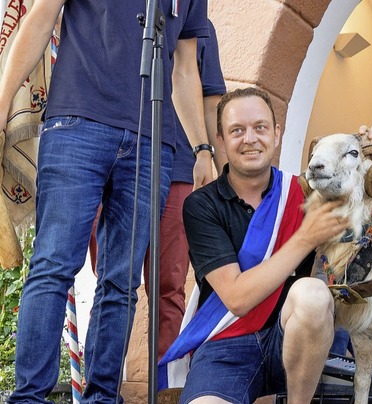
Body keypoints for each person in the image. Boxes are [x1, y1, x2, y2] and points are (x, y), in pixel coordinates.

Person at [0, 1, 213, 402]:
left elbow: (184, 68)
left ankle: (102, 397)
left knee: (122, 280)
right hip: (77, 124)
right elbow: (42, 17)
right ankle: (29, 397)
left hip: (154, 142)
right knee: (53, 265)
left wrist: (202, 148)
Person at [160, 87, 372, 403]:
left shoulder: (306, 190)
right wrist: (306, 238)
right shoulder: (201, 205)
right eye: (237, 130)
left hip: (296, 342)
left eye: (260, 127)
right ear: (221, 140)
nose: (250, 138)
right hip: (226, 346)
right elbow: (236, 298)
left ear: (276, 134)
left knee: (312, 295)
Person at [87, 19, 227, 361]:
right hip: (114, 168)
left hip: (179, 168)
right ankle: (102, 390)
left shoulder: (195, 23)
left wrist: (224, 175)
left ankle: (166, 388)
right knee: (113, 283)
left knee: (168, 287)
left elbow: (212, 104)